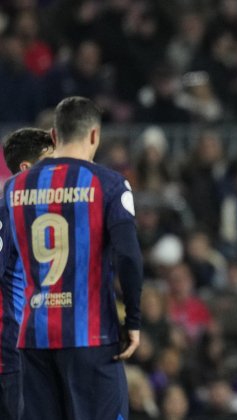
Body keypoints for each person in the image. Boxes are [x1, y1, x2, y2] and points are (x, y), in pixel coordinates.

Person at [3, 96, 144, 420]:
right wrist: (133, 320)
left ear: (54, 136)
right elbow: (129, 256)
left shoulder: (13, 188)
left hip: (33, 336)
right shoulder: (108, 183)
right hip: (90, 335)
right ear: (95, 136)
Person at [0, 128, 54, 420]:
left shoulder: (52, 215)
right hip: (13, 357)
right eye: (51, 160)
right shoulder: (6, 213)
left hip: (42, 352)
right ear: (27, 168)